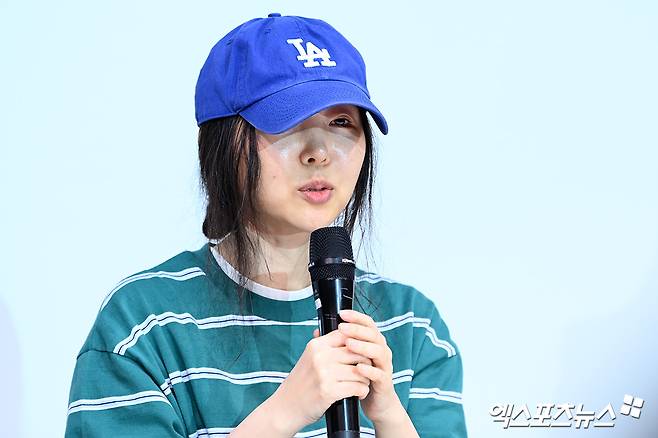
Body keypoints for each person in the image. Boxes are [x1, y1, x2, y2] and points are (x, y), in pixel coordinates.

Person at [65, 12, 468, 438]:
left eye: (341, 122)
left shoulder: (413, 328)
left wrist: (389, 416)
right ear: (222, 143)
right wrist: (284, 413)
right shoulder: (143, 325)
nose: (319, 152)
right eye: (289, 121)